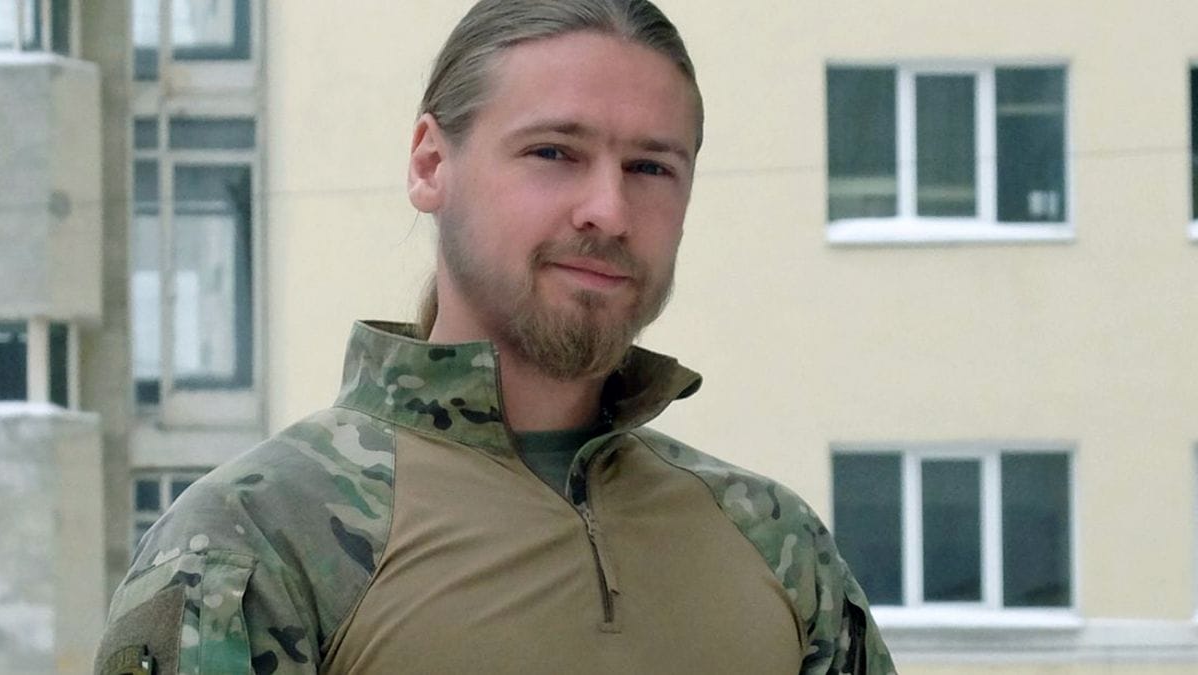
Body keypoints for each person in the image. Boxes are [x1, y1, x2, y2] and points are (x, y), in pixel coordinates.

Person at [95, 1, 896, 673]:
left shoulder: (775, 543)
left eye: (651, 167)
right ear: (430, 164)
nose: (609, 211)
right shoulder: (262, 539)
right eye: (554, 152)